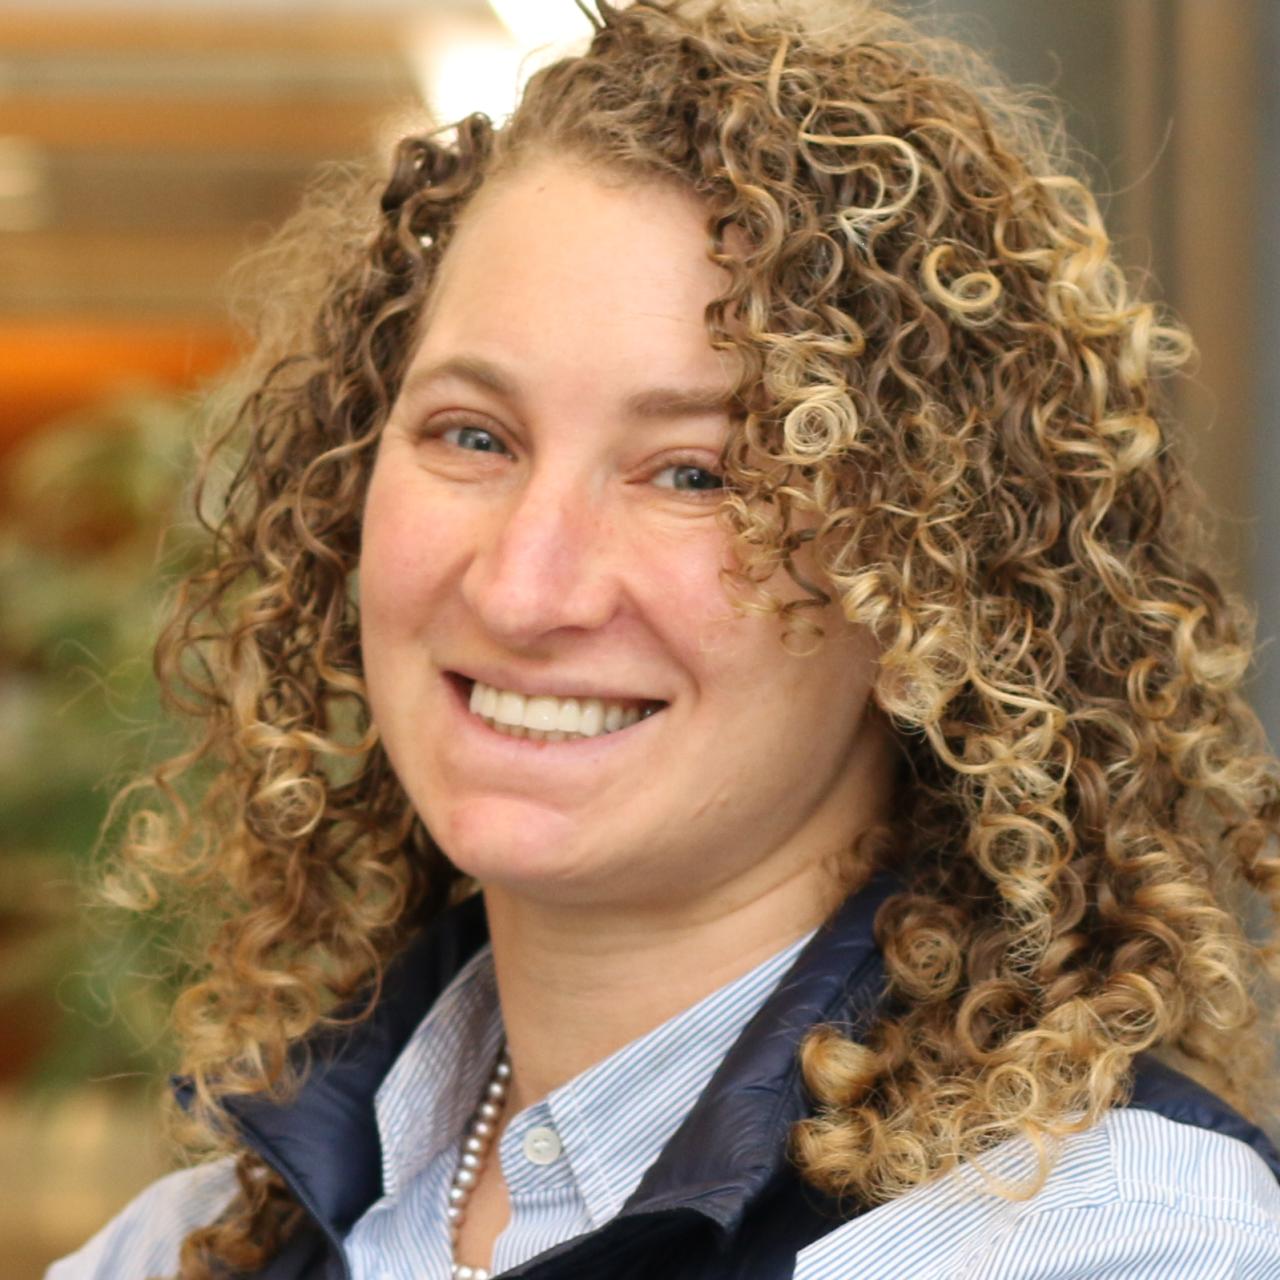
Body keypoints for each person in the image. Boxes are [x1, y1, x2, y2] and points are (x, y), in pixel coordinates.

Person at [49, 1, 1280, 1277]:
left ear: (927, 583)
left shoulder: (1105, 1236)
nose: (527, 590)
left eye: (694, 474)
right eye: (473, 435)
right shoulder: (189, 1243)